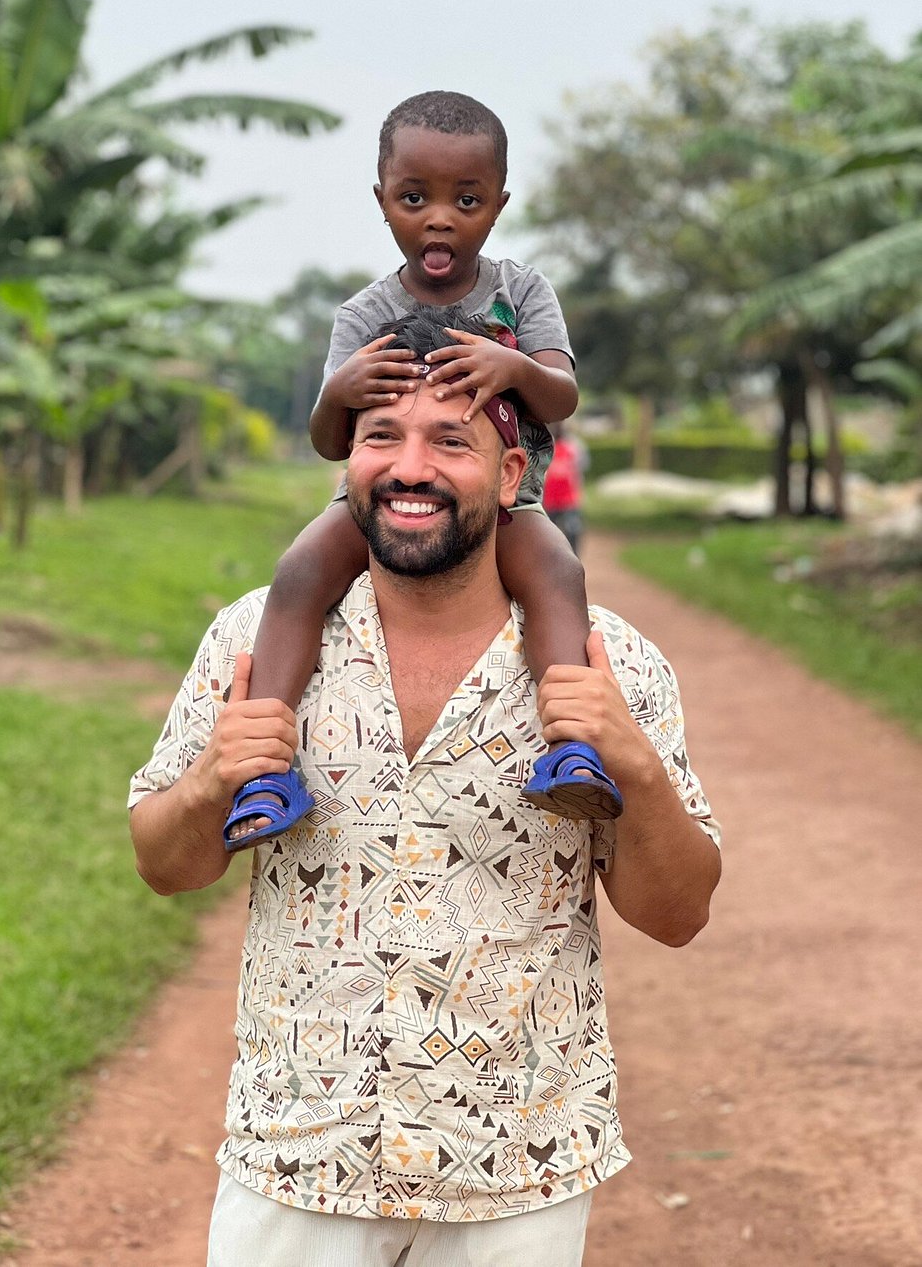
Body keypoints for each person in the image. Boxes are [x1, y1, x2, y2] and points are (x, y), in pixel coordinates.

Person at [129, 314, 722, 1267]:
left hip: (516, 1171)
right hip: (300, 1155)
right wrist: (212, 781)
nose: (410, 468)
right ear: (347, 462)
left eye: (451, 440)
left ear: (513, 474)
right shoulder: (257, 642)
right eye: (380, 437)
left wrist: (636, 770)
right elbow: (162, 863)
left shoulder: (610, 668)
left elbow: (679, 910)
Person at [224, 89, 620, 854]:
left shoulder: (523, 295)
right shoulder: (364, 315)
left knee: (557, 574)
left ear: (498, 205)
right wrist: (337, 391)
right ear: (382, 201)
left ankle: (573, 746)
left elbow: (561, 396)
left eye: (466, 199)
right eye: (415, 197)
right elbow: (329, 441)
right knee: (301, 570)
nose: (440, 218)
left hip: (509, 500)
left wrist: (511, 365)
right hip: (378, 501)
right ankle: (262, 767)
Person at [542, 424, 588, 556]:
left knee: (573, 531)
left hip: (569, 499)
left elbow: (581, 468)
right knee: (548, 535)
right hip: (550, 499)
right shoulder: (546, 446)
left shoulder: (574, 446)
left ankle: (574, 558)